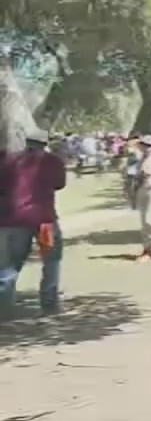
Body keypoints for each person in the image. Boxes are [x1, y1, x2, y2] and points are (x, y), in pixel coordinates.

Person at [0, 129, 66, 317]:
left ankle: (4, 306)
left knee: (9, 264)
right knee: (52, 260)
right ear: (45, 143)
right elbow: (60, 184)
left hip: (12, 219)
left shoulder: (9, 160)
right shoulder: (53, 161)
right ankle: (49, 302)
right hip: (44, 219)